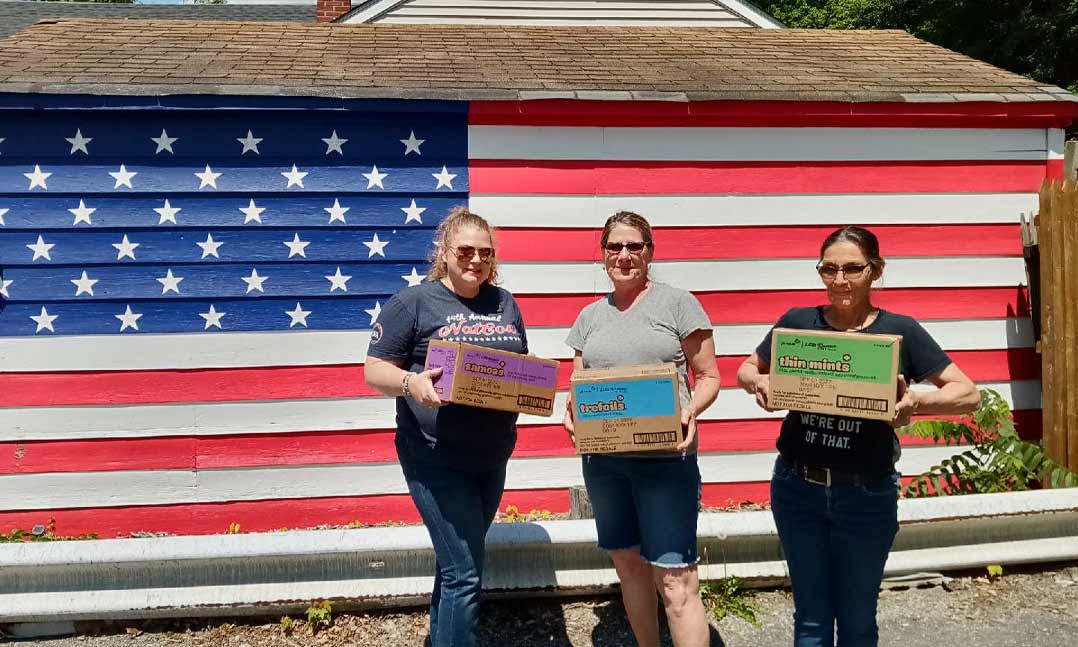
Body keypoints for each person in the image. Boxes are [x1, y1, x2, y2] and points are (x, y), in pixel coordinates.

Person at [736, 225, 980, 647]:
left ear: (876, 270)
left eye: (853, 269)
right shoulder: (798, 323)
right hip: (798, 489)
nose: (840, 281)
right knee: (810, 618)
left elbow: (968, 393)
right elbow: (746, 368)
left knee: (858, 618)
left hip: (866, 494)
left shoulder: (899, 330)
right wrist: (760, 384)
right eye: (828, 269)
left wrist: (915, 404)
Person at [364, 207, 528, 647]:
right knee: (465, 572)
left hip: (492, 455)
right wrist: (409, 382)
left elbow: (518, 366)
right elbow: (373, 369)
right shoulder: (413, 302)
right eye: (466, 250)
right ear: (445, 251)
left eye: (486, 253)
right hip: (434, 457)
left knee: (456, 565)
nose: (476, 260)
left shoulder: (505, 302)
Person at [563, 211, 721, 647]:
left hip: (666, 461)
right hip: (606, 465)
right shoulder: (589, 318)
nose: (625, 255)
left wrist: (692, 411)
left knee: (675, 580)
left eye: (635, 246)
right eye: (615, 247)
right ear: (603, 255)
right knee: (629, 568)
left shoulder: (677, 304)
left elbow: (709, 376)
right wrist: (571, 411)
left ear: (650, 252)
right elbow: (581, 385)